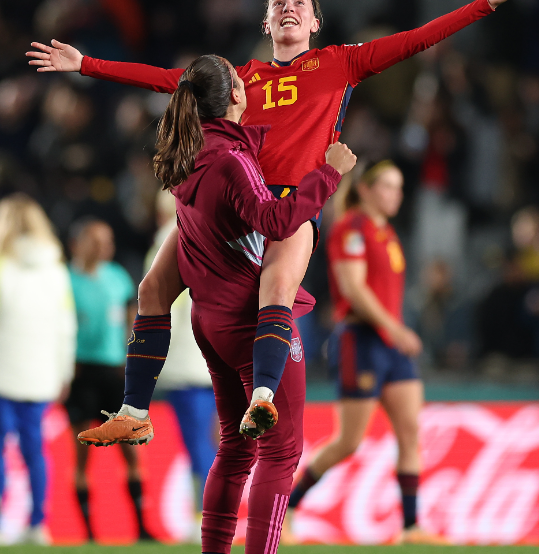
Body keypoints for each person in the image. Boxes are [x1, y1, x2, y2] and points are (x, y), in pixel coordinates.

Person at [25, 0, 534, 437]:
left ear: (315, 22)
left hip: (288, 205)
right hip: (231, 205)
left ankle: (262, 398)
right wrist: (86, 64)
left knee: (276, 289)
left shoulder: (342, 63)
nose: (288, 7)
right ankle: (135, 413)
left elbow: (416, 41)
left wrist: (484, 3)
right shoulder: (240, 77)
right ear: (267, 24)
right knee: (152, 291)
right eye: (277, 4)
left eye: (299, 3)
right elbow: (172, 82)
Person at [72, 54, 355, 553]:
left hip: (210, 322)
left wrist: (88, 65)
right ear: (237, 98)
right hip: (251, 324)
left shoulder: (189, 158)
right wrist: (327, 176)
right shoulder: (232, 161)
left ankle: (136, 408)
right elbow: (275, 222)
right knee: (282, 453)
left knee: (235, 451)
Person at [284, 161, 447, 545]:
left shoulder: (384, 231)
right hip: (362, 341)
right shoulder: (352, 229)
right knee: (349, 442)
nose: (397, 194)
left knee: (410, 433)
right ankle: (286, 510)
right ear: (368, 189)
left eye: (400, 187)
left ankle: (410, 527)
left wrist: (395, 332)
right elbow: (353, 289)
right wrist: (395, 328)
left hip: (392, 345)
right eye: (389, 186)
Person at [65, 218, 155, 542]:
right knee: (82, 450)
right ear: (82, 243)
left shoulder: (118, 278)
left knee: (131, 448)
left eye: (109, 240)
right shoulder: (67, 280)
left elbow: (132, 320)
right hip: (81, 371)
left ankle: (142, 527)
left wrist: (131, 357)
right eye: (99, 240)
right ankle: (88, 533)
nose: (107, 246)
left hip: (115, 371)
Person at [0, 193, 76, 545]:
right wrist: (63, 372)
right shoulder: (56, 269)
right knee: (35, 450)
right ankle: (38, 522)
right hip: (41, 373)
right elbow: (66, 325)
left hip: (4, 371)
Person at [146, 190, 218, 542]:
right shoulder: (214, 235)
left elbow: (156, 305)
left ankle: (207, 519)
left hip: (185, 362)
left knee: (198, 444)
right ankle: (215, 515)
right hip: (215, 356)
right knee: (214, 442)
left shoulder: (166, 240)